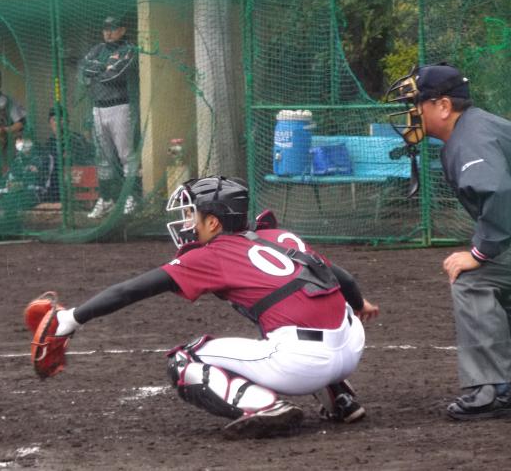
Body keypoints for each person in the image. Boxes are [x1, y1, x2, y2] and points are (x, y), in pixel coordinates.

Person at [45, 176, 380, 437]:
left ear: (214, 223)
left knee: (185, 359)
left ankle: (264, 407)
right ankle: (340, 398)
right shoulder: (278, 235)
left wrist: (71, 319)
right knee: (290, 308)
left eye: (193, 214)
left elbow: (129, 291)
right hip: (351, 346)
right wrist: (359, 304)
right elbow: (344, 278)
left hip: (301, 364)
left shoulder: (212, 255)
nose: (188, 223)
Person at [386, 63, 511, 420]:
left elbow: (500, 193)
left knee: (473, 278)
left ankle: (493, 389)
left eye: (416, 104)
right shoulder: (475, 128)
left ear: (443, 106)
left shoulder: (471, 138)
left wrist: (479, 252)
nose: (411, 113)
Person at [80, 15, 138, 218]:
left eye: (113, 28)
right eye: (106, 29)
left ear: (122, 30)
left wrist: (97, 71)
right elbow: (84, 68)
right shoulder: (97, 49)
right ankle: (106, 200)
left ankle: (131, 197)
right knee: (103, 158)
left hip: (119, 107)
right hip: (98, 109)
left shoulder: (128, 49)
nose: (108, 33)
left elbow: (116, 76)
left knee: (125, 155)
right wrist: (103, 68)